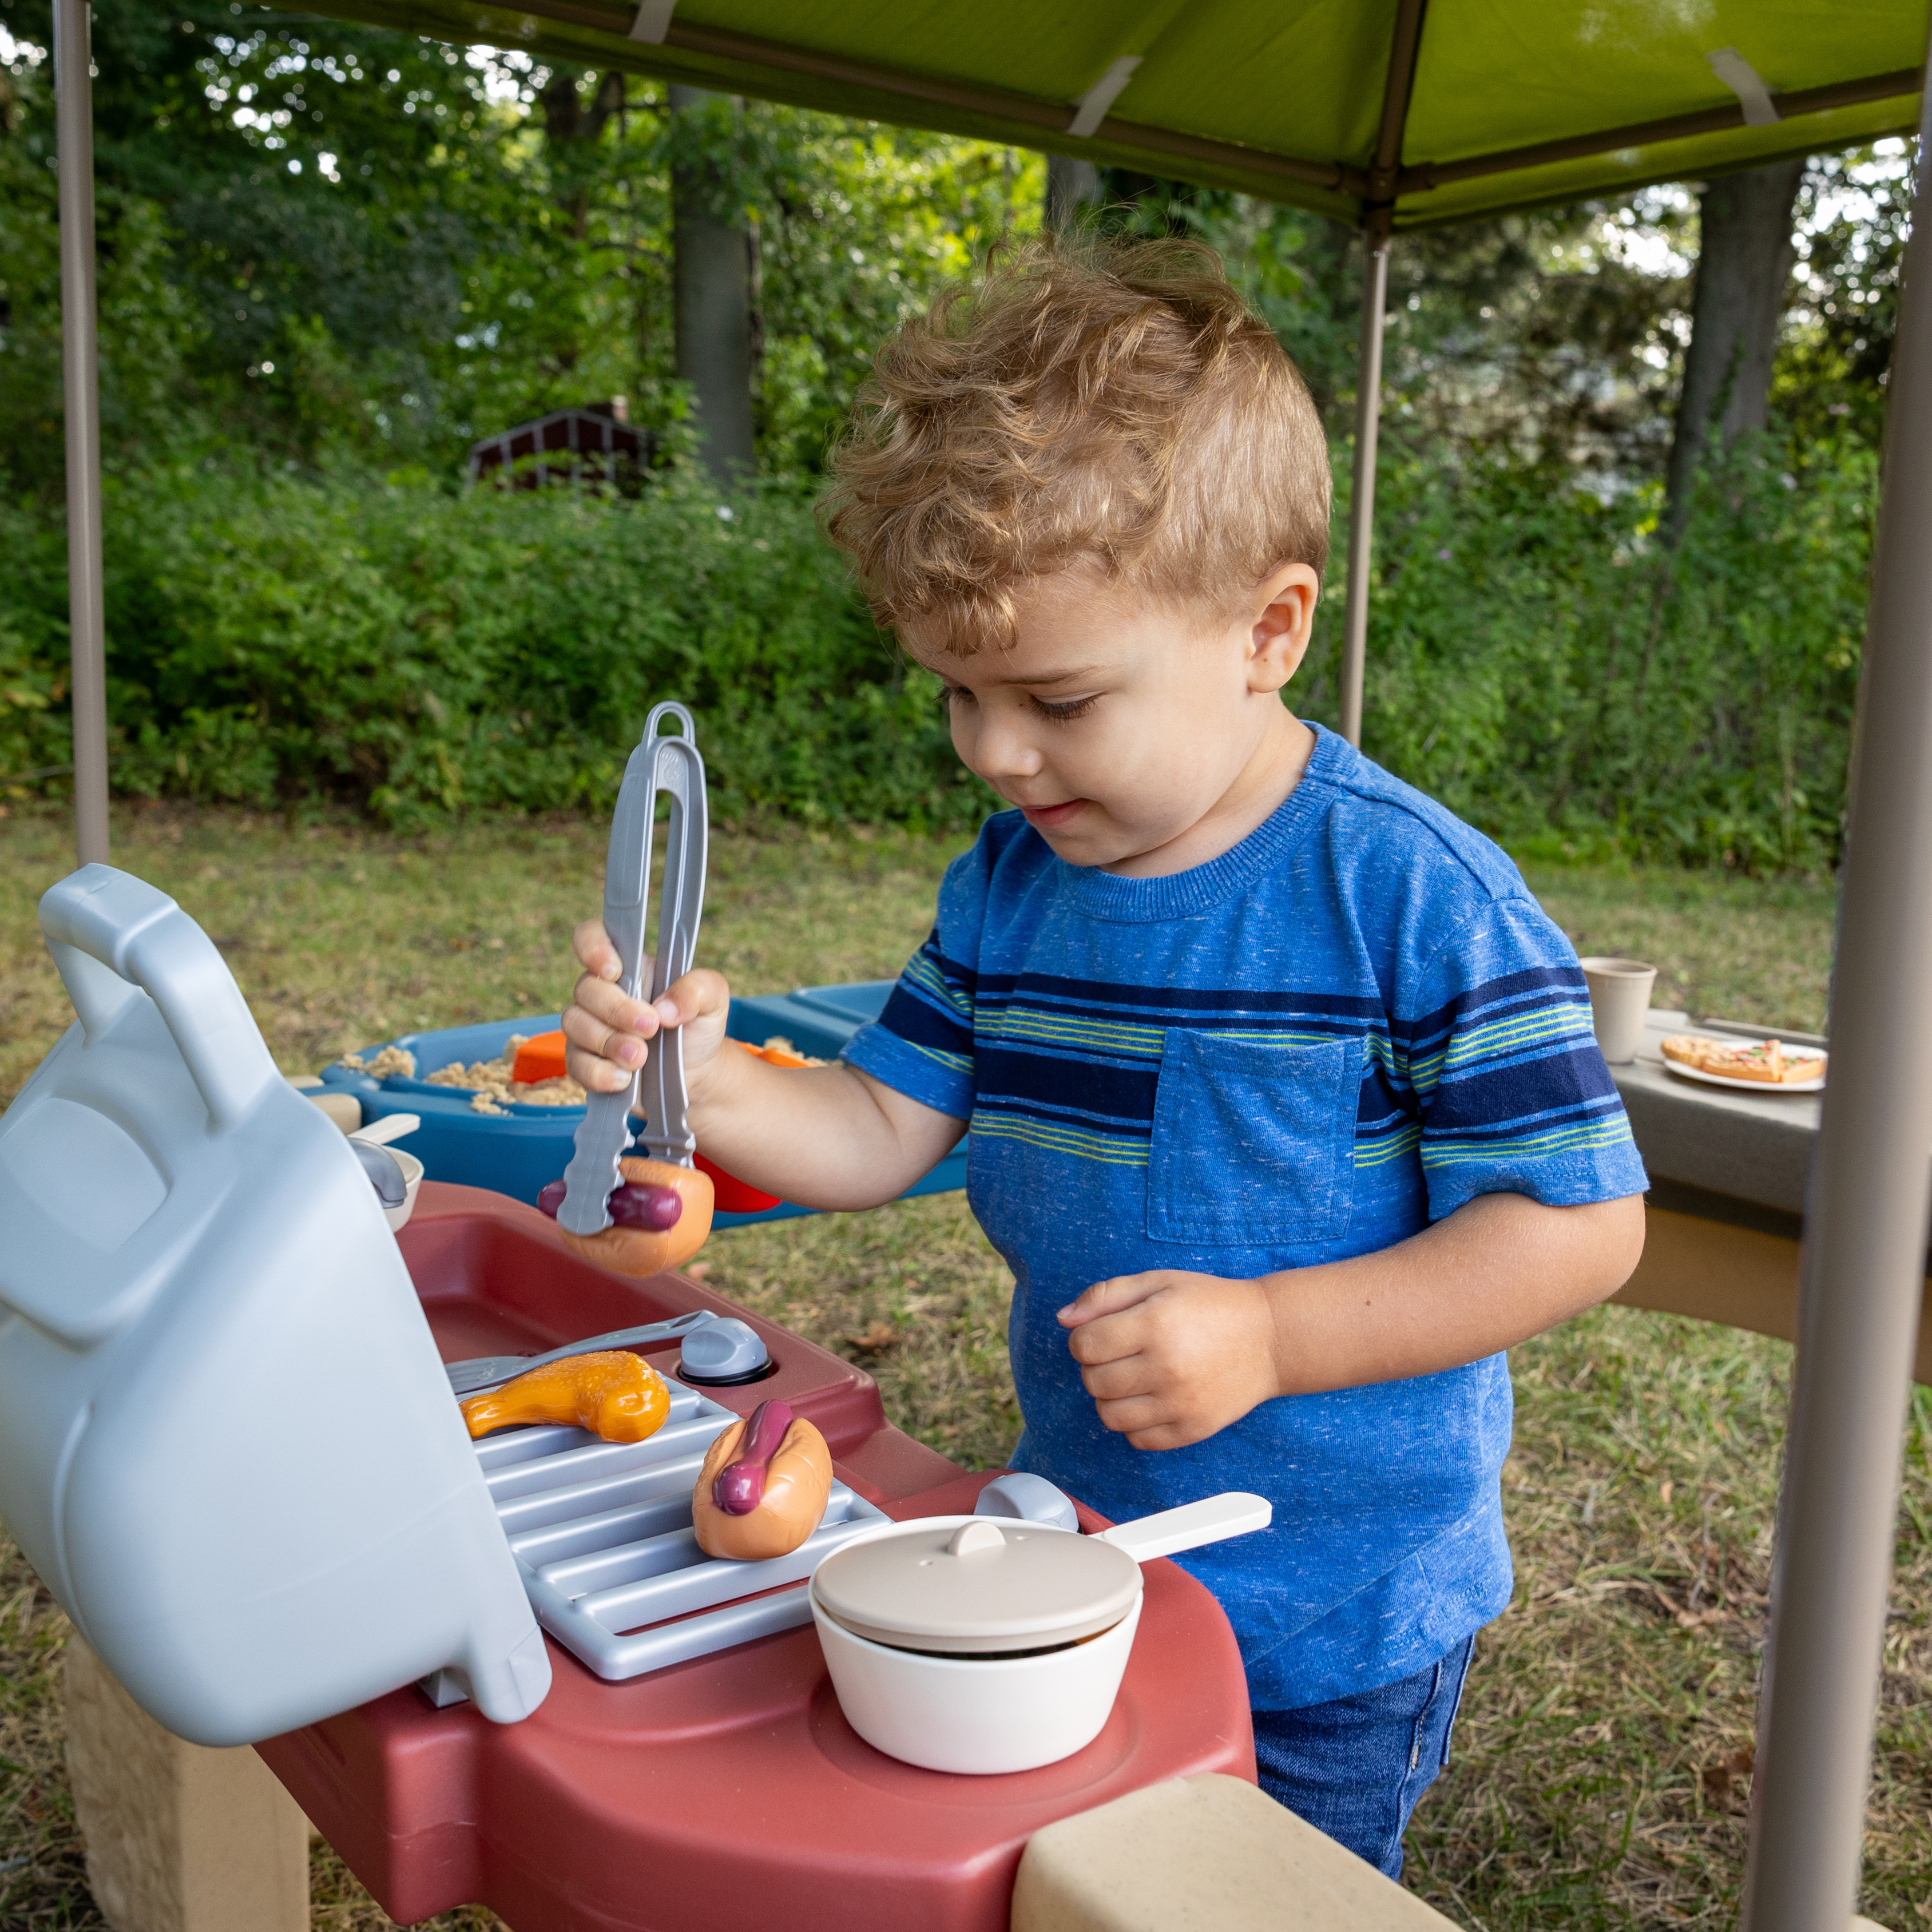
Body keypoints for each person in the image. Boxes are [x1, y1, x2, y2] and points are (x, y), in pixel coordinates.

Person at [562, 237, 1647, 1878]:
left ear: (1266, 629)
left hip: (1336, 1607)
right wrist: (698, 1074)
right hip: (1078, 1554)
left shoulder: (1408, 896)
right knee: (1077, 1887)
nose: (996, 754)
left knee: (1246, 1904)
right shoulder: (1011, 889)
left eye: (1057, 699)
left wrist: (1274, 1331)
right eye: (957, 696)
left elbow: (1578, 1224)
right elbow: (873, 1125)